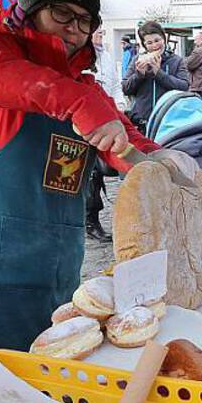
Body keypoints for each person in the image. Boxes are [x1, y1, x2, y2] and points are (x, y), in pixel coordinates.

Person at [0, 0, 161, 352]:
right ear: (31, 11)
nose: (74, 30)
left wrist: (161, 165)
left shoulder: (84, 86)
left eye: (85, 21)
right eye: (62, 14)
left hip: (55, 255)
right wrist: (79, 105)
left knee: (52, 362)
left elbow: (125, 141)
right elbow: (14, 81)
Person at [86, 27, 123, 243]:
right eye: (97, 33)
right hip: (86, 123)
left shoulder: (106, 57)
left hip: (106, 118)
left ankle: (91, 219)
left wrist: (119, 107)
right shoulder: (83, 57)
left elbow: (115, 85)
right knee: (90, 175)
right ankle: (90, 220)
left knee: (99, 172)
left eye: (102, 33)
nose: (100, 37)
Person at [122, 20, 188, 132]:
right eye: (149, 43)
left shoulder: (177, 61)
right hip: (142, 121)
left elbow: (184, 87)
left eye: (157, 40)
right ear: (144, 45)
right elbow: (125, 88)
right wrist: (139, 74)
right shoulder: (137, 60)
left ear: (164, 39)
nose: (154, 46)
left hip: (169, 120)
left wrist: (159, 73)